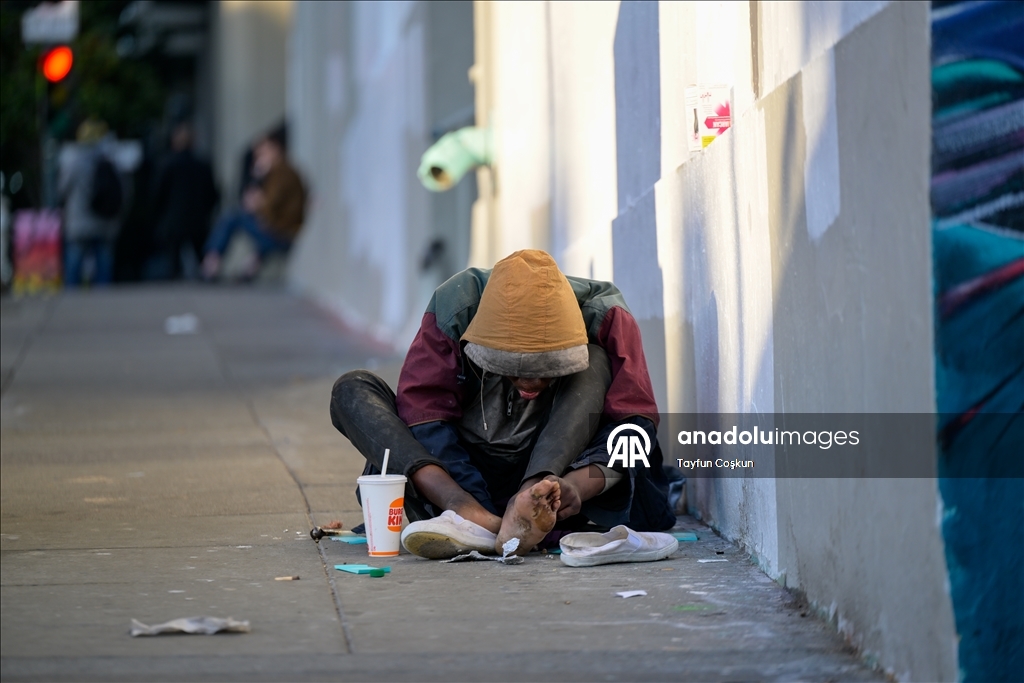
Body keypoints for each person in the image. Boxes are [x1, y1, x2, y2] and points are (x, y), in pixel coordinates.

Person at [330, 249, 676, 559]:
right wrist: (461, 498)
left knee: (597, 362)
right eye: (514, 370)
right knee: (353, 388)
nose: (531, 384)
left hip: (557, 473)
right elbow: (424, 416)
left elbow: (635, 433)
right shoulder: (456, 306)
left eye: (546, 372)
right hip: (458, 481)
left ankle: (529, 502)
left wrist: (570, 487)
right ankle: (472, 515)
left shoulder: (607, 316)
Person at [201, 127, 306, 280]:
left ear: (275, 149)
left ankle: (211, 264)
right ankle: (250, 267)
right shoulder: (282, 172)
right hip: (282, 231)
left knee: (232, 217)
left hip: (282, 235)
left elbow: (270, 208)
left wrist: (258, 199)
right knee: (245, 219)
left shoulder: (281, 173)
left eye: (263, 151)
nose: (259, 156)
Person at [147, 123, 219, 279]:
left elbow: (158, 194)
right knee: (201, 257)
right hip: (198, 219)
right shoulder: (202, 164)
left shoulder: (167, 164)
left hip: (174, 220)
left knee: (173, 264)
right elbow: (213, 193)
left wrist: (159, 214)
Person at [59, 119, 121, 286]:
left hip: (79, 220)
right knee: (103, 260)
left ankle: (72, 296)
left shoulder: (73, 161)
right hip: (104, 220)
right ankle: (103, 298)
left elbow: (62, 189)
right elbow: (124, 190)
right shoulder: (110, 160)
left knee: (75, 259)